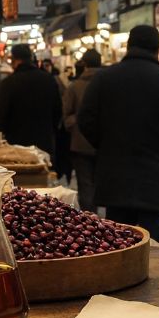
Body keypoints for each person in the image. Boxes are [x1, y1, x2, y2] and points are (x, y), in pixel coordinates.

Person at [76, 26, 159, 243]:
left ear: (128, 46)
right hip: (154, 176)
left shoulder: (104, 80)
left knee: (117, 237)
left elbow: (86, 120)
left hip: (115, 173)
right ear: (157, 49)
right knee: (153, 241)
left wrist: (105, 144)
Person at [0, 44, 62, 157]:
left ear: (14, 60)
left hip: (17, 146)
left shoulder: (9, 83)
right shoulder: (48, 80)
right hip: (44, 142)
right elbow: (57, 111)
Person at [63, 50, 102, 212]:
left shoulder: (75, 86)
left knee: (85, 184)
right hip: (105, 143)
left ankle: (89, 220)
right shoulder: (109, 84)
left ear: (84, 65)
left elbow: (66, 116)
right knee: (100, 182)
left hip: (80, 144)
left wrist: (76, 124)